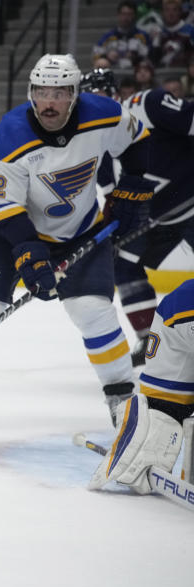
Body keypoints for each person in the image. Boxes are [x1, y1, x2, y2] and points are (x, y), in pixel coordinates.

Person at [0, 54, 152, 428]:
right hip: (9, 234)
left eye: (59, 92)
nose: (49, 100)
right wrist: (30, 254)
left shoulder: (104, 114)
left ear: (74, 94)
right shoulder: (11, 134)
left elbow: (139, 141)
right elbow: (2, 207)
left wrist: (133, 187)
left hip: (80, 232)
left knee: (93, 310)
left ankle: (122, 395)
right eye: (42, 91)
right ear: (31, 92)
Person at [83, 68, 194, 367]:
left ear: (115, 95)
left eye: (100, 96)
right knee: (123, 263)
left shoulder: (148, 104)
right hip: (154, 216)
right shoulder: (93, 144)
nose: (94, 105)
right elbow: (113, 200)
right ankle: (148, 339)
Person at [88, 279, 193, 494]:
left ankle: (155, 418)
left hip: (180, 310)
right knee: (164, 412)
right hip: (182, 315)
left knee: (164, 411)